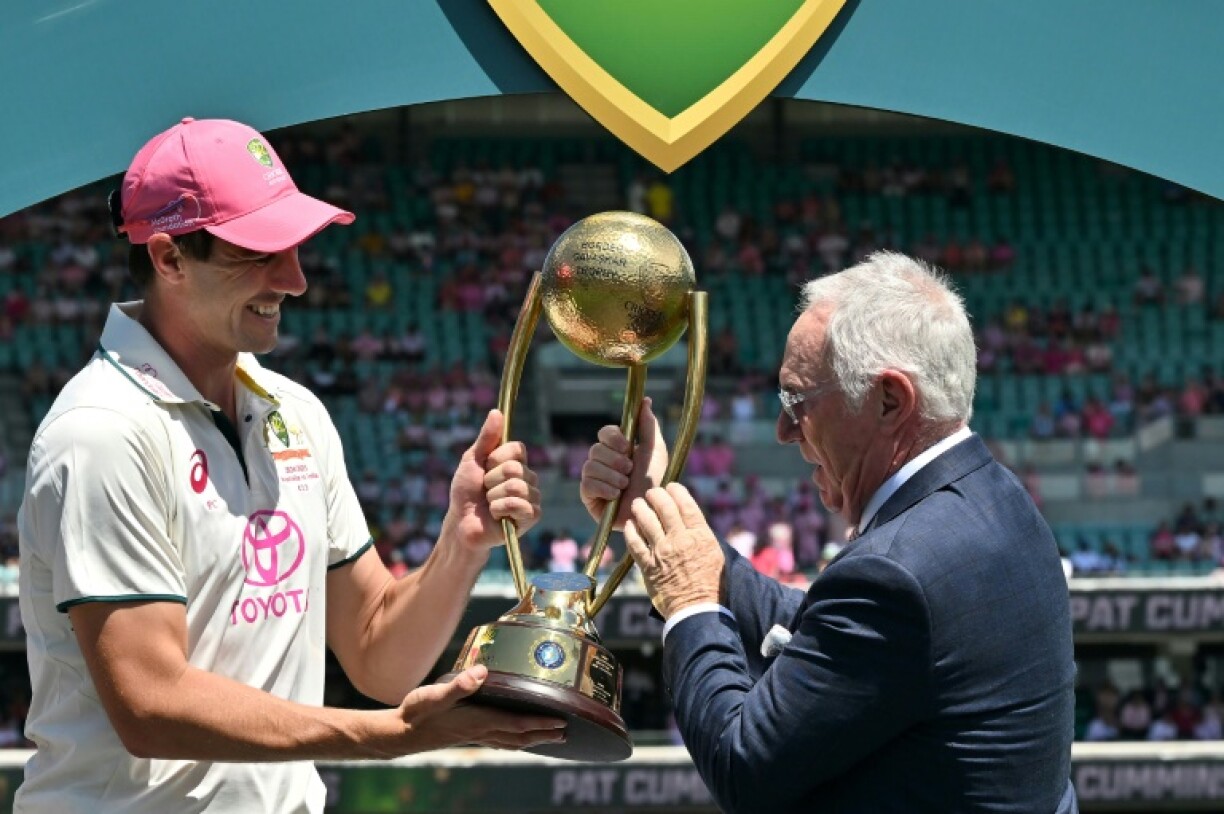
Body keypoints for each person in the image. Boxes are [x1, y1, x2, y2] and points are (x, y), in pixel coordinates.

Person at [16, 118, 563, 813]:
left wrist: (460, 542)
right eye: (259, 251)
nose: (296, 280)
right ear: (168, 258)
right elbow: (150, 704)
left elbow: (377, 657)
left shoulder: (294, 411)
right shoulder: (99, 433)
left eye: (295, 248)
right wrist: (386, 737)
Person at [581, 252, 1077, 813]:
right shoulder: (995, 497)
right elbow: (832, 634)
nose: (784, 430)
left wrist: (691, 605)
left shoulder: (896, 572)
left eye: (798, 400)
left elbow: (742, 765)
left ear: (891, 400)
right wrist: (661, 521)